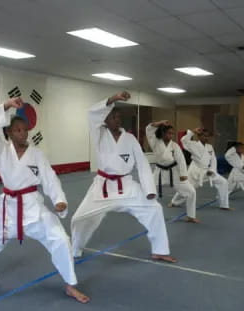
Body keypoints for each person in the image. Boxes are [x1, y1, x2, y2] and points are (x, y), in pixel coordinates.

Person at [0, 97, 89, 303]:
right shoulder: (0, 149)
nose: (23, 133)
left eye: (25, 129)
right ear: (9, 133)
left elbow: (50, 178)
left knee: (61, 240)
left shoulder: (37, 155)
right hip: (6, 210)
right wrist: (7, 105)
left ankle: (70, 285)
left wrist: (59, 200)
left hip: (33, 209)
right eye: (18, 130)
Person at [71, 91, 176, 263]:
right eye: (113, 117)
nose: (117, 120)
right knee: (79, 218)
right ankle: (75, 248)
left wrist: (149, 189)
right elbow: (91, 113)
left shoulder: (130, 138)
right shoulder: (99, 134)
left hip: (127, 186)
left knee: (154, 209)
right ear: (105, 119)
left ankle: (160, 250)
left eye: (119, 117)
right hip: (102, 188)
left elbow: (142, 163)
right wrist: (112, 99)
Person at [146, 120, 199, 223]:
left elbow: (181, 159)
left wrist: (183, 174)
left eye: (172, 134)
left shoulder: (174, 145)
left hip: (174, 172)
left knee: (191, 192)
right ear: (162, 133)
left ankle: (191, 216)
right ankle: (143, 213)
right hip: (159, 172)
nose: (171, 136)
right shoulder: (155, 141)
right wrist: (160, 123)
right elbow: (148, 129)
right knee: (148, 191)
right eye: (169, 133)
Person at [174, 128, 230, 210]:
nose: (206, 138)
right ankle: (174, 202)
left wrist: (212, 170)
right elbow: (183, 140)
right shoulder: (193, 145)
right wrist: (193, 132)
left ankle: (224, 205)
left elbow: (213, 159)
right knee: (187, 188)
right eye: (204, 136)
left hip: (207, 171)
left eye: (207, 136)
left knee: (223, 182)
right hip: (195, 171)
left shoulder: (209, 147)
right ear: (199, 137)